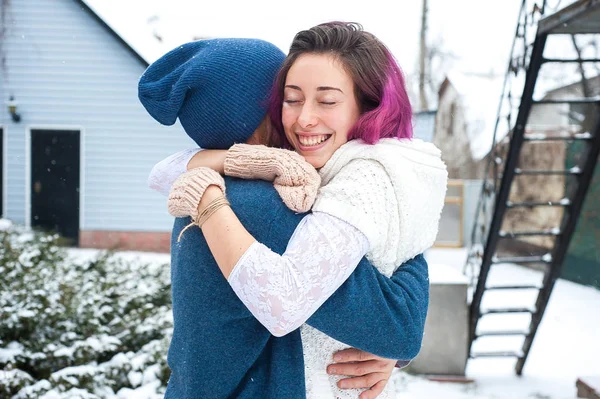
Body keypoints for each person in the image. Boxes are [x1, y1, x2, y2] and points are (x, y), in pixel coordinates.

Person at [150, 23, 447, 399]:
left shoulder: (225, 185)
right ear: (262, 112)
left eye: (325, 99)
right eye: (289, 99)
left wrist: (225, 165)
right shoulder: (257, 204)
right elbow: (396, 325)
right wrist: (394, 346)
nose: (302, 118)